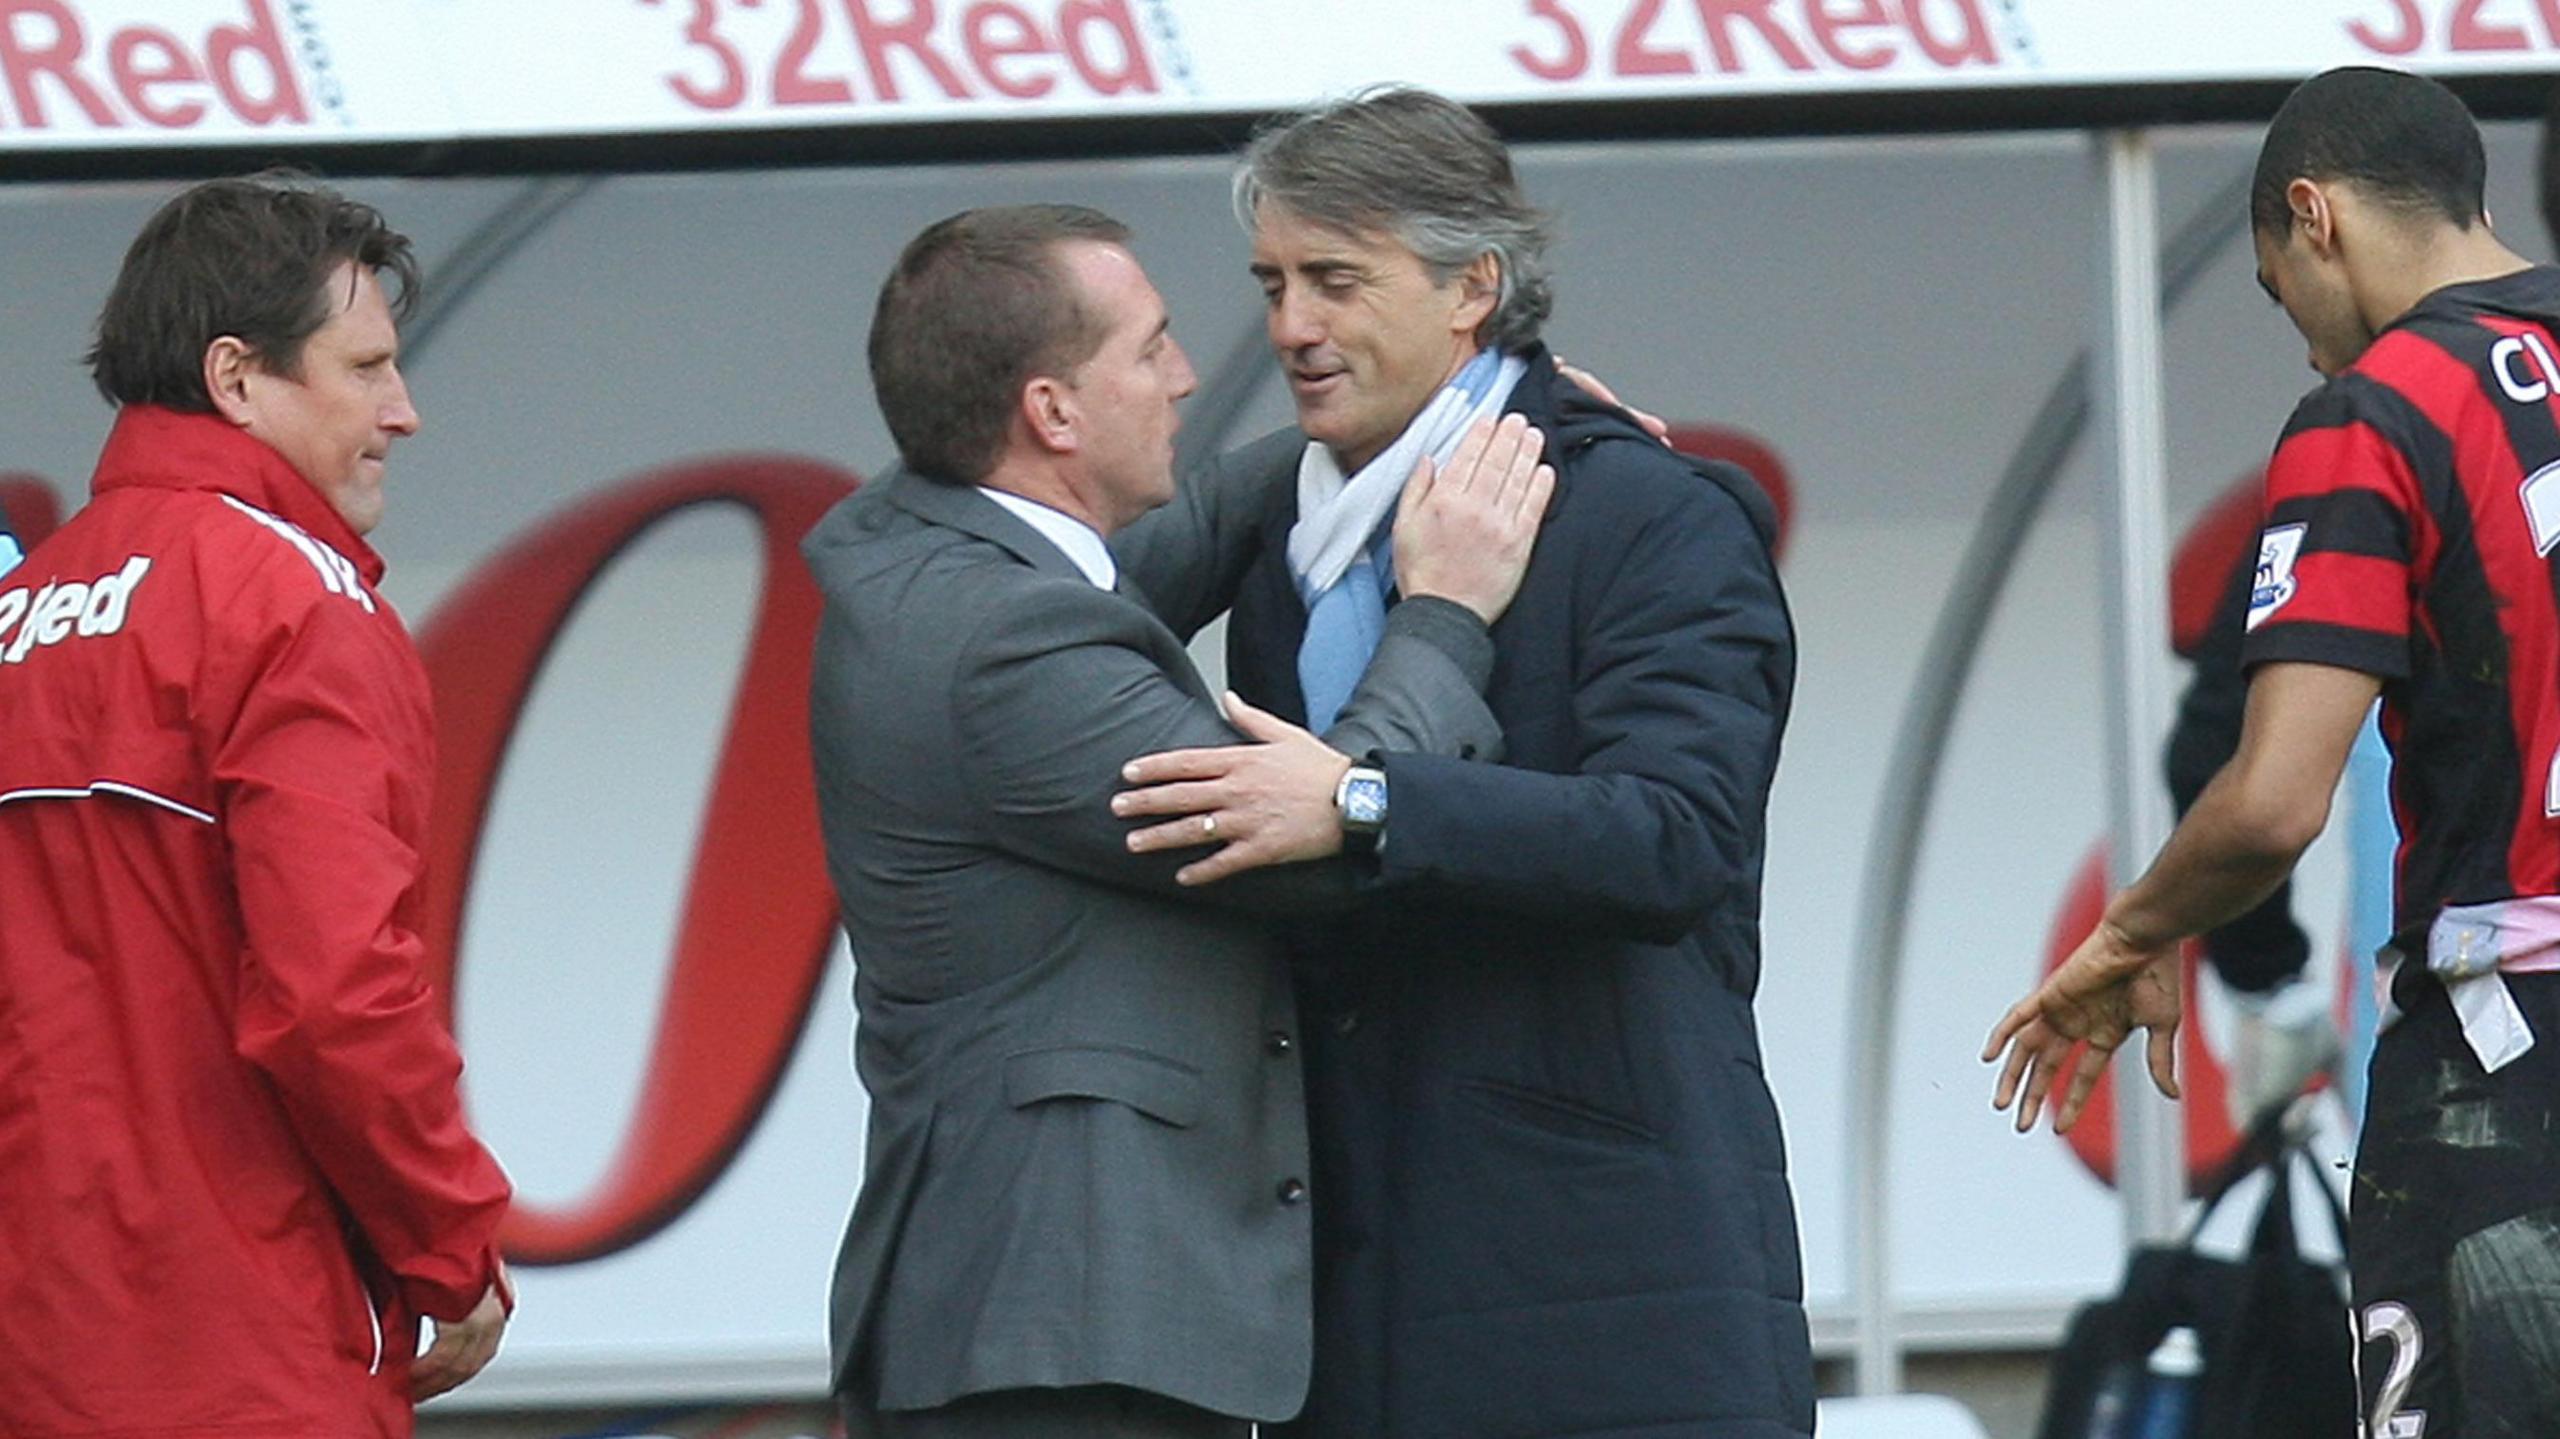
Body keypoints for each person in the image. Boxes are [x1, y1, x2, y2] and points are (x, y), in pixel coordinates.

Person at [1113, 89, 1812, 1438]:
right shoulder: (1290, 543)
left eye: (1335, 280)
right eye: (1271, 283)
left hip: (1613, 1290)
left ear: (1471, 289)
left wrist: (1365, 801)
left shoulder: (1646, 513)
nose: (1290, 328)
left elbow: (1676, 837)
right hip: (1358, 1300)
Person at [803, 203, 1554, 1439]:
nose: (1187, 376)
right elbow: (1311, 837)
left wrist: (1433, 407)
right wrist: (1443, 611)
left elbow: (1183, 526)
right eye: (1150, 350)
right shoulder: (1008, 642)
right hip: (1071, 1322)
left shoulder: (939, 547)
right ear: (1051, 414)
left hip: (1045, 1307)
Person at [1987, 65, 2560, 1435]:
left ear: (2316, 217)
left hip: (2510, 1068)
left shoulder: (2380, 408)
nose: (2306, 347)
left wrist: (2136, 931)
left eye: (2277, 290)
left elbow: (2270, 798)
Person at [0, 176, 512, 1436]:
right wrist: (453, 1239)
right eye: (368, 366)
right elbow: (336, 988)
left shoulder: (20, 612)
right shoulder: (296, 602)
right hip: (245, 1341)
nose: (405, 411)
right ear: (237, 378)